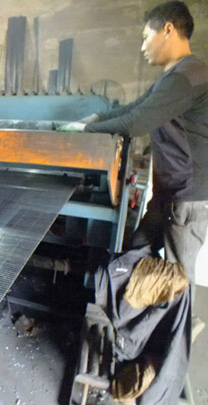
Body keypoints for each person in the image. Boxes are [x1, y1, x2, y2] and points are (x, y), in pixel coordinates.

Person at [61, 1, 208, 293]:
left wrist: (86, 131)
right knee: (135, 254)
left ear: (168, 30)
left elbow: (136, 122)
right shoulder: (173, 77)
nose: (142, 47)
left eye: (145, 37)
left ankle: (177, 319)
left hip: (187, 199)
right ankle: (128, 311)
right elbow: (134, 108)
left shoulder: (187, 76)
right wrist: (96, 117)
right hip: (169, 194)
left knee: (178, 279)